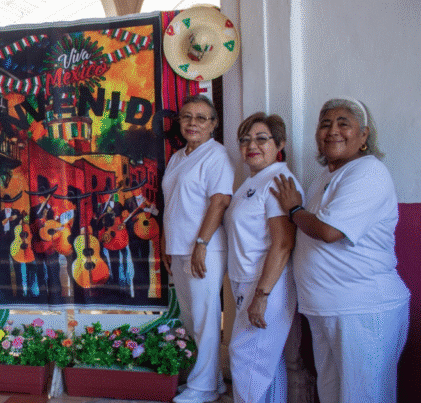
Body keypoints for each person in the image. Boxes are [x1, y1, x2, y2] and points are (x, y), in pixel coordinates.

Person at [271, 97, 409, 403]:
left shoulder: (367, 172)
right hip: (330, 308)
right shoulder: (328, 176)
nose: (332, 130)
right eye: (325, 123)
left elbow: (329, 231)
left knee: (363, 397)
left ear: (364, 136)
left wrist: (294, 208)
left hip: (362, 308)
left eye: (343, 123)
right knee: (333, 395)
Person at [161, 94, 234, 403]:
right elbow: (172, 203)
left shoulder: (216, 155)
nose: (192, 122)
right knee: (191, 319)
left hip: (204, 249)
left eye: (201, 118)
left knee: (205, 318)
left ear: (213, 124)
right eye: (187, 116)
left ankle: (202, 388)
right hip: (179, 248)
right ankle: (211, 380)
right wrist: (167, 242)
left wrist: (201, 244)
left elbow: (220, 201)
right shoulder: (178, 157)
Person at [225, 113, 301, 403]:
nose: (251, 145)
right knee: (264, 363)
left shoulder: (278, 181)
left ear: (279, 143)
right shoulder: (254, 181)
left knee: (245, 358)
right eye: (244, 140)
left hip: (266, 284)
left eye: (261, 138)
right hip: (247, 281)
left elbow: (283, 243)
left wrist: (262, 294)